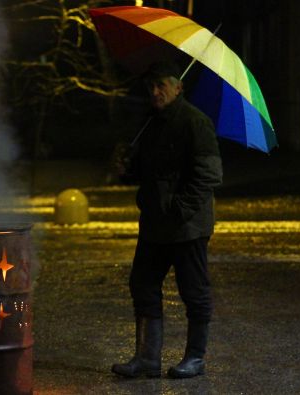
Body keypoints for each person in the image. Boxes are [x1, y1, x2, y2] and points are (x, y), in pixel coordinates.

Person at [111, 61, 223, 379]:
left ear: (178, 87)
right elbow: (147, 172)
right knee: (143, 285)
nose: (156, 92)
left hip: (186, 227)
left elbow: (209, 175)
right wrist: (126, 168)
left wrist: (178, 209)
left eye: (162, 86)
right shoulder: (151, 123)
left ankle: (195, 358)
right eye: (151, 87)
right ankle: (147, 358)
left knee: (194, 291)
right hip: (155, 225)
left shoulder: (195, 123)